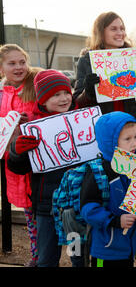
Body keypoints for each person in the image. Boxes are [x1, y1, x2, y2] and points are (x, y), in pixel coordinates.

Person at [7, 69, 83, 267]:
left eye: (66, 92)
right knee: (46, 258)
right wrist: (17, 150)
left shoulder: (82, 121)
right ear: (42, 99)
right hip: (45, 207)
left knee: (78, 256)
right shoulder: (31, 125)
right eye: (55, 95)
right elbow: (17, 168)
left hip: (75, 206)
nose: (64, 98)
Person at [73, 11, 136, 146]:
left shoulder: (135, 59)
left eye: (122, 28)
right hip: (104, 134)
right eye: (113, 29)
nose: (120, 33)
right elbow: (78, 104)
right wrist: (88, 92)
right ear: (101, 32)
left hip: (133, 134)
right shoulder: (87, 61)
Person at [80, 111, 136, 267]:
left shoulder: (135, 166)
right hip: (104, 250)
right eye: (127, 139)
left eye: (135, 137)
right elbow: (88, 210)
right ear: (110, 141)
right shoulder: (99, 172)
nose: (134, 144)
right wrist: (116, 221)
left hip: (128, 247)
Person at [0, 44, 40, 267]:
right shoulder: (1, 93)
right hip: (15, 161)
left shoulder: (36, 84)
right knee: (29, 214)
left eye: (22, 62)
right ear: (1, 67)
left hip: (40, 160)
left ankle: (48, 254)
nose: (18, 67)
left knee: (44, 211)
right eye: (12, 63)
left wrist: (30, 121)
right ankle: (36, 256)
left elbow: (53, 110)